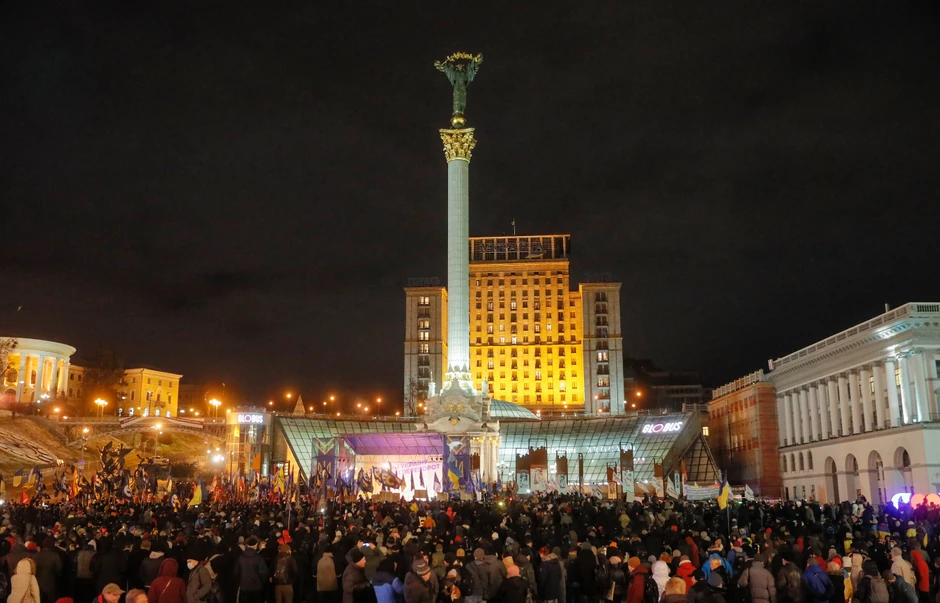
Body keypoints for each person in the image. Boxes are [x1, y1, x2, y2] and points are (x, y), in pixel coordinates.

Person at [235, 538, 269, 603]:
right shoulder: (259, 558)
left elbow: (236, 572)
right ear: (256, 546)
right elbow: (263, 573)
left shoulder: (240, 558)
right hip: (256, 587)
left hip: (244, 587)